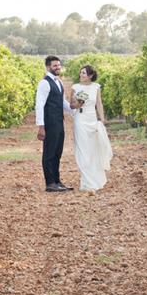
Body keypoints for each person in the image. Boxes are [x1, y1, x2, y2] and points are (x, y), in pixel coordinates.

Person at [35, 55, 77, 192]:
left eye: (59, 65)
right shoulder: (44, 83)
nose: (58, 67)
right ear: (48, 67)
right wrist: (41, 126)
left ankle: (57, 181)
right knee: (49, 153)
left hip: (59, 122)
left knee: (57, 152)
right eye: (55, 65)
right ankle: (50, 183)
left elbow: (62, 102)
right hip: (49, 123)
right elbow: (39, 105)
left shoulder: (59, 82)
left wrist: (76, 111)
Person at [69, 64, 113, 191]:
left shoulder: (96, 87)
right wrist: (78, 104)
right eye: (80, 72)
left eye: (83, 73)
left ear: (90, 75)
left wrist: (102, 120)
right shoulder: (75, 87)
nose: (81, 75)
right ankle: (87, 182)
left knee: (93, 149)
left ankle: (96, 179)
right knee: (83, 150)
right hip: (80, 120)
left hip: (92, 120)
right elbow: (71, 105)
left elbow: (99, 103)